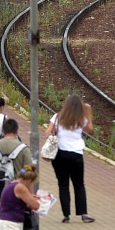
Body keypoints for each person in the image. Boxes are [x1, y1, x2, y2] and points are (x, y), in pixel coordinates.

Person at [46, 93, 94, 223]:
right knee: (79, 184)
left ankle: (66, 215)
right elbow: (90, 129)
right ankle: (83, 213)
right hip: (76, 154)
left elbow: (47, 133)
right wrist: (88, 114)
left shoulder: (57, 117)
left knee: (63, 184)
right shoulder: (81, 118)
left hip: (59, 154)